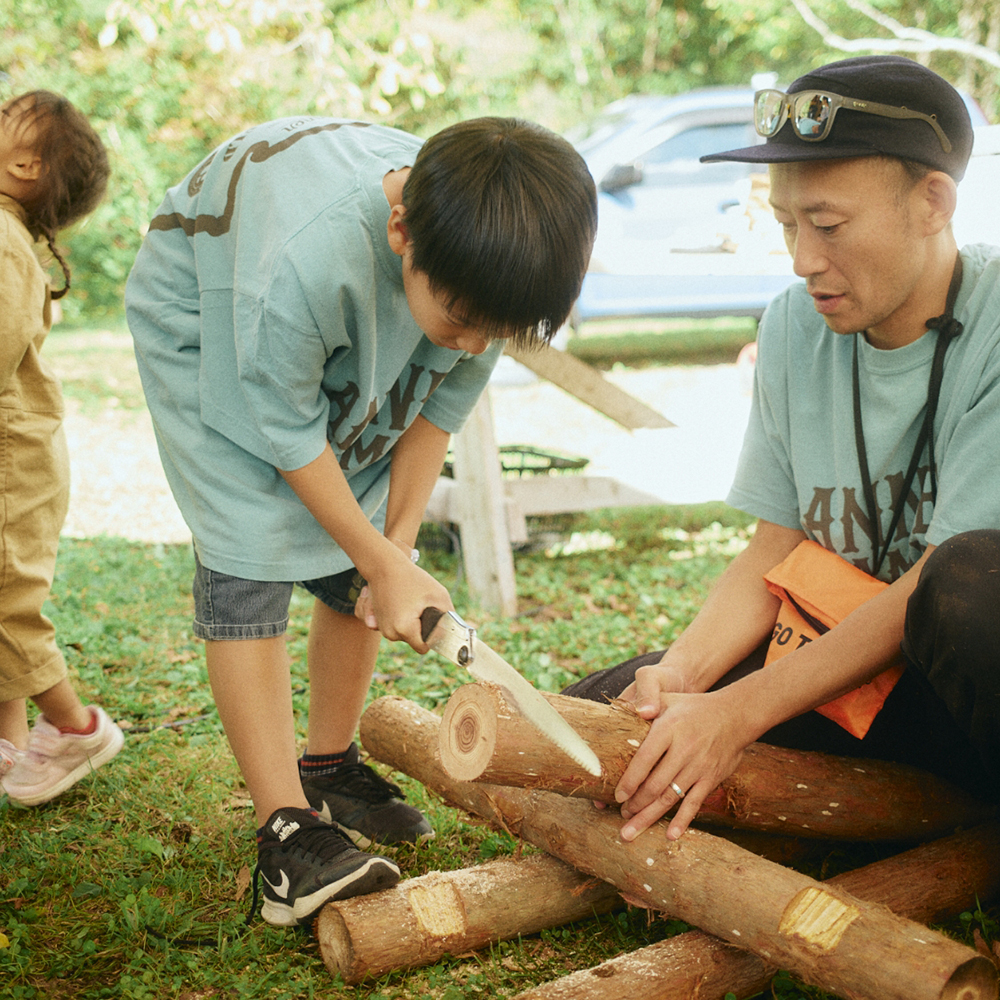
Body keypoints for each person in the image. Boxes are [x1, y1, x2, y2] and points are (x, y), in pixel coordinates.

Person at [125, 114, 597, 927]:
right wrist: (377, 557)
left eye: (498, 330)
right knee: (250, 547)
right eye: (464, 320)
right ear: (400, 231)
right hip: (209, 317)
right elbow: (281, 430)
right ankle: (284, 832)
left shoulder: (477, 269)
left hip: (342, 308)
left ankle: (329, 765)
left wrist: (396, 549)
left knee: (367, 544)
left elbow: (433, 416)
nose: (477, 342)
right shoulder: (298, 266)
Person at [563, 55, 1000, 843]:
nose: (803, 260)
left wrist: (737, 713)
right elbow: (777, 550)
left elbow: (938, 589)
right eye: (786, 225)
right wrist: (686, 679)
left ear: (933, 201)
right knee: (603, 710)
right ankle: (887, 816)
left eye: (828, 226)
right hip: (856, 679)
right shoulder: (795, 326)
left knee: (969, 588)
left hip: (970, 675)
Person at [0, 91, 124, 805]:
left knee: (7, 600)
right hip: (15, 453)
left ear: (23, 163)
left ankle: (76, 729)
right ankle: (12, 745)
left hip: (12, 462)